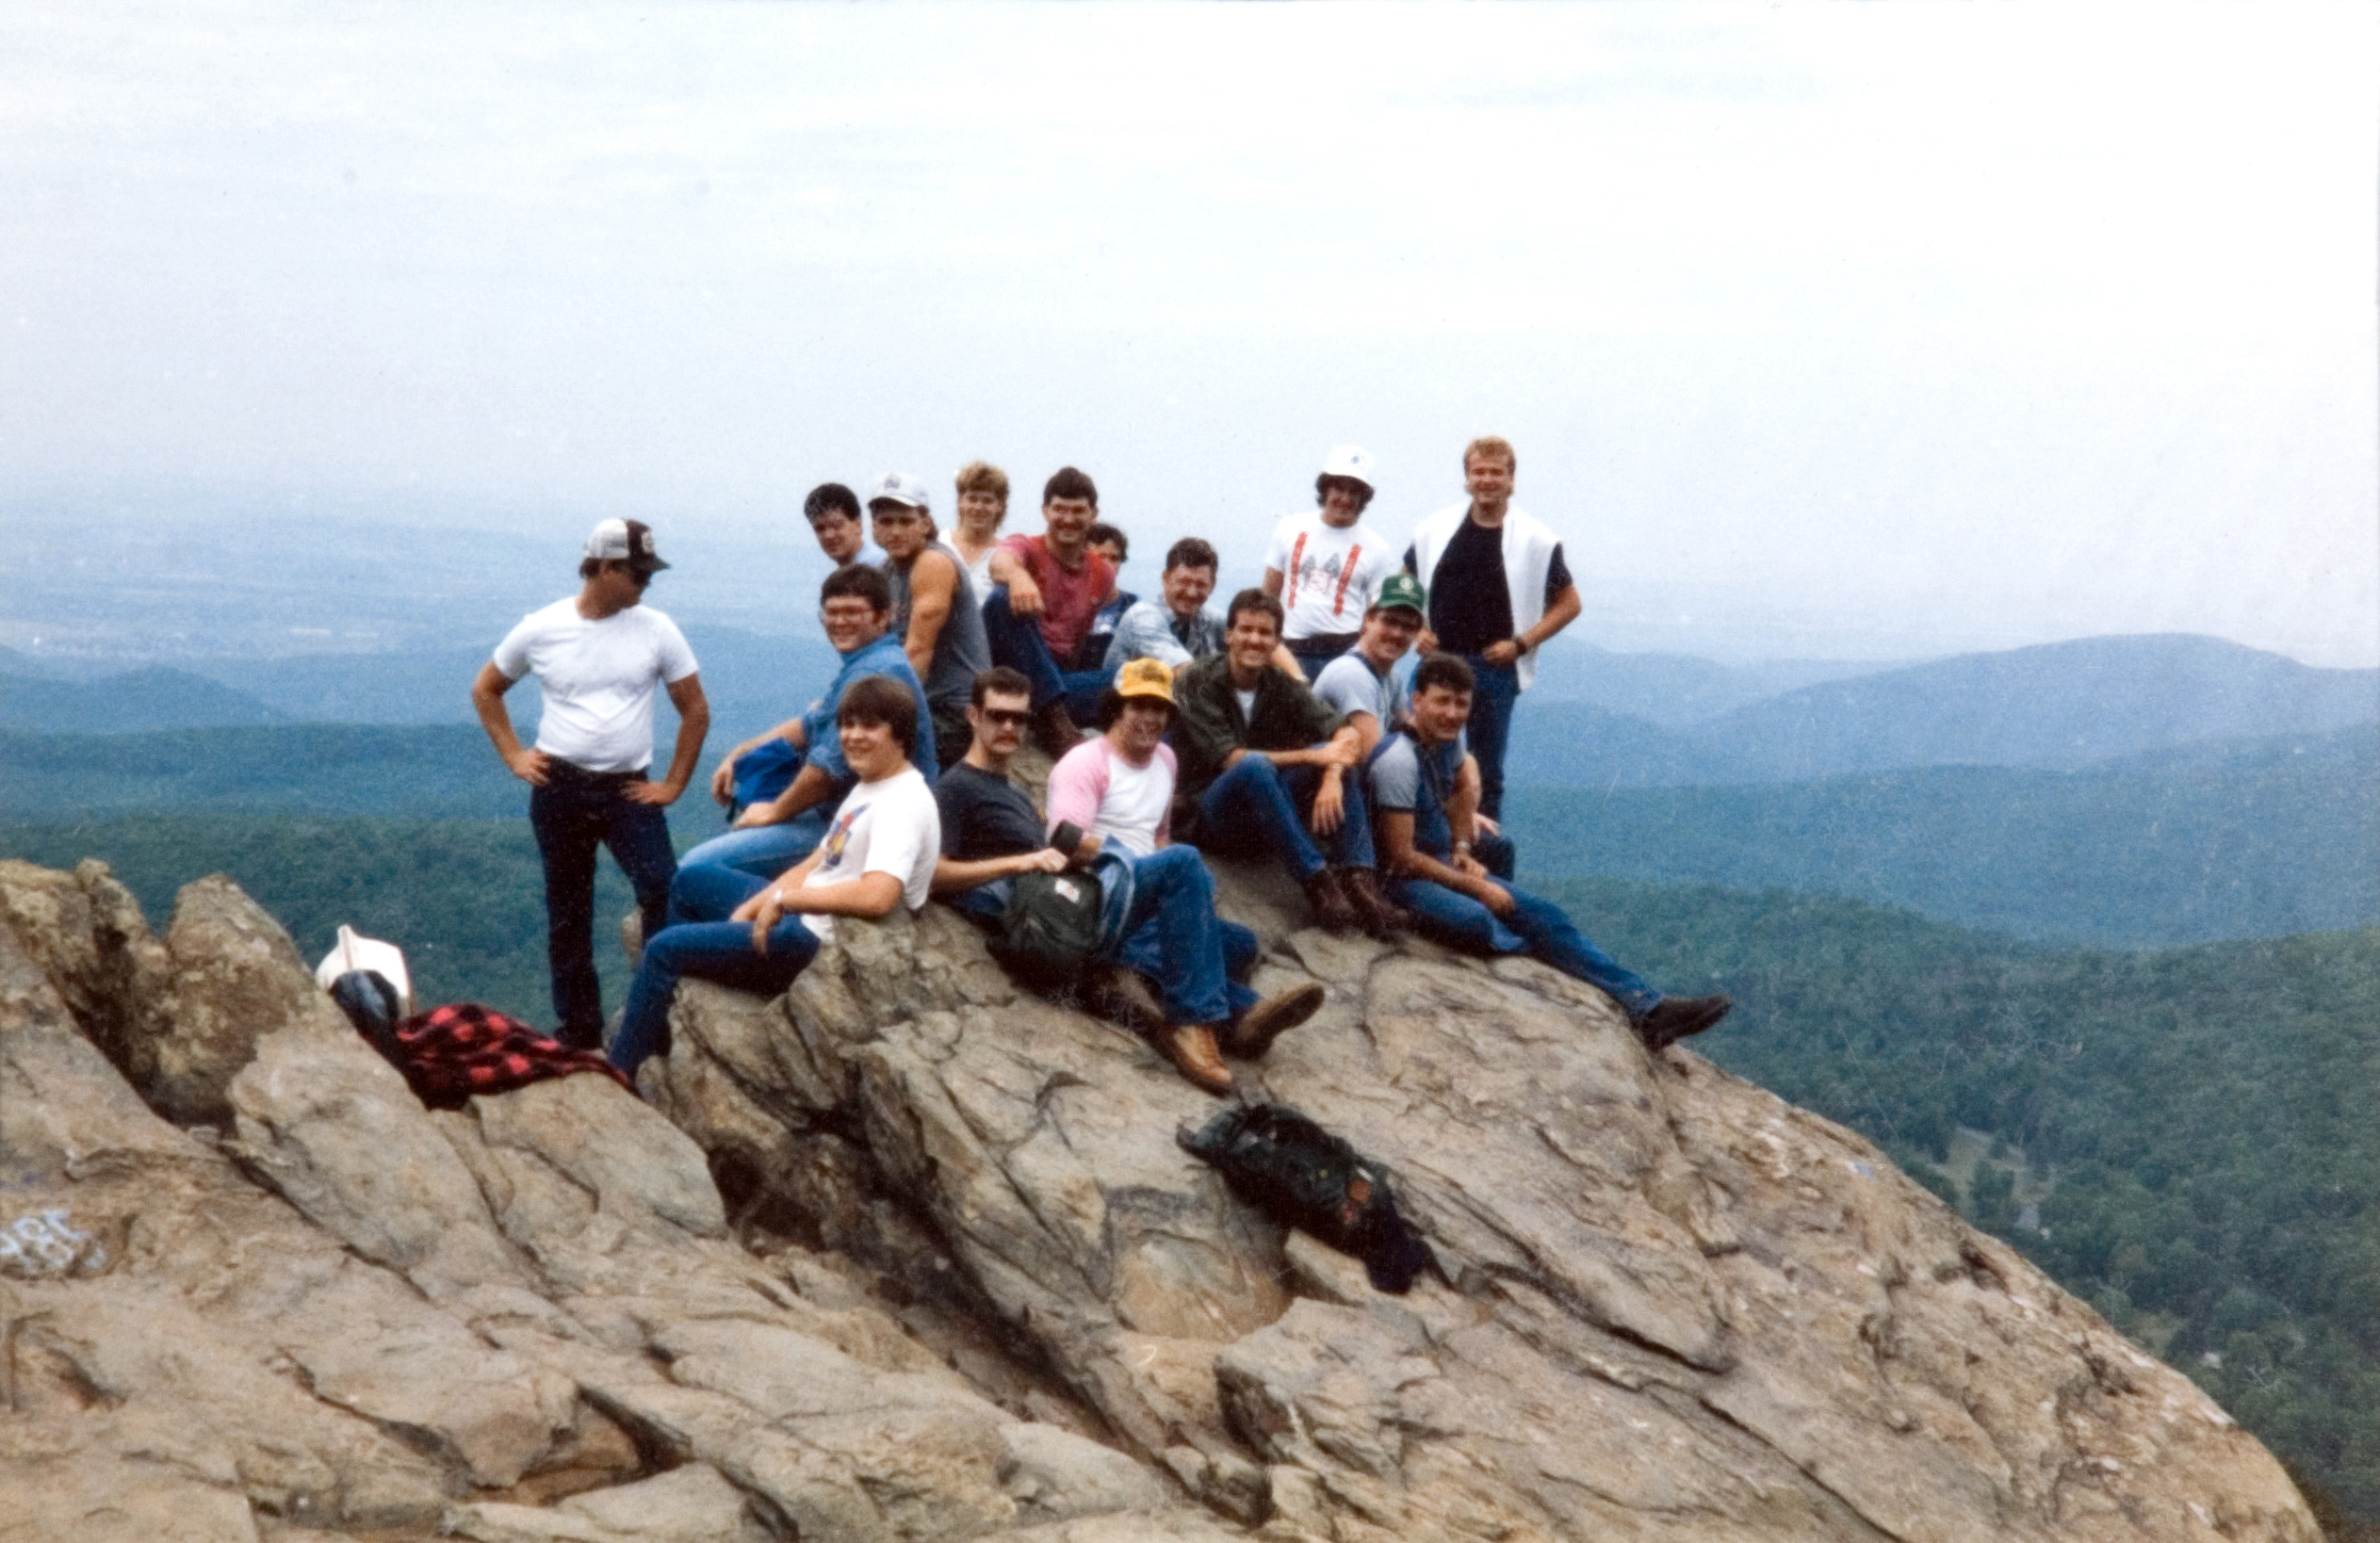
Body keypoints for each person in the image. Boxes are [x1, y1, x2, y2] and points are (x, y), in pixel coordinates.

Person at [1370, 654, 1731, 1051]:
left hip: (1437, 861)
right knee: (1476, 919)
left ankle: (1649, 1008)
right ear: (1417, 700)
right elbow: (1400, 858)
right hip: (1398, 881)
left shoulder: (1445, 744)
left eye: (1461, 703)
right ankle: (1549, 953)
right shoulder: (1398, 760)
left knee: (1545, 914)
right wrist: (1478, 888)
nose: (1452, 713)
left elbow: (1460, 793)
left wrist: (1461, 847)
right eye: (1442, 701)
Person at [610, 675, 937, 1079]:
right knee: (691, 879)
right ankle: (660, 1022)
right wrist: (754, 905)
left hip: (812, 943)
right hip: (800, 916)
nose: (853, 736)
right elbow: (817, 861)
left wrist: (784, 902)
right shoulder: (871, 786)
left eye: (869, 726)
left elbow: (878, 895)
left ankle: (620, 1073)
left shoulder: (902, 802)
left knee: (662, 949)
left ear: (901, 735)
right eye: (847, 725)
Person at [471, 518, 709, 1049]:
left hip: (629, 789)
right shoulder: (541, 628)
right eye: (636, 572)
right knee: (568, 911)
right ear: (601, 567)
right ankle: (579, 1032)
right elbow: (487, 689)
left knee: (660, 887)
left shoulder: (657, 629)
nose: (646, 582)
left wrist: (672, 785)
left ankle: (658, 1018)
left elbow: (694, 709)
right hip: (560, 786)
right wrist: (514, 754)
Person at [1037, 659, 1326, 1094]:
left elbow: (1159, 837)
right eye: (1139, 705)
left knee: (1241, 944)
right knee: (1185, 864)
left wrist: (1178, 888)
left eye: (1160, 709)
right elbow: (1065, 839)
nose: (1150, 718)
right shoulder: (1086, 763)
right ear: (1117, 708)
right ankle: (1199, 1021)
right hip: (1099, 893)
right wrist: (1134, 859)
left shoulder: (1165, 761)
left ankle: (1228, 1018)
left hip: (1144, 898)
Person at [683, 564, 934, 891]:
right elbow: (807, 726)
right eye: (832, 612)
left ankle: (771, 921)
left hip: (856, 825)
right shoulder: (869, 661)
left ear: (882, 617)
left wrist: (774, 812)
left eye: (852, 612)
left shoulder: (875, 671)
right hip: (847, 813)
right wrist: (742, 751)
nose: (840, 622)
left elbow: (824, 772)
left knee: (695, 868)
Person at [1171, 590, 1401, 938]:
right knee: (1256, 766)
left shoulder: (1278, 685)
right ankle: (1318, 882)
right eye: (1246, 630)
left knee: (1332, 750)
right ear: (1228, 635)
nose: (1254, 639)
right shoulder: (1197, 680)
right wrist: (1314, 756)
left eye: (1265, 633)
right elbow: (1231, 759)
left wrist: (1333, 774)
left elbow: (1346, 732)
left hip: (1266, 813)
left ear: (1277, 641)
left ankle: (1360, 880)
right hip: (1213, 814)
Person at [1402, 435, 1580, 821]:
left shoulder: (1537, 539)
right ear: (1466, 479)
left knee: (1486, 770)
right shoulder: (1435, 528)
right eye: (1478, 472)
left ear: (1511, 480)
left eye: (1495, 473)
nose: (1486, 480)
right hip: (1439, 659)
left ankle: (1481, 859)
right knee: (1411, 748)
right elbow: (1403, 584)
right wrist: (1416, 629)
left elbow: (1569, 604)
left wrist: (1521, 644)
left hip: (1494, 665)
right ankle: (1420, 838)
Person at [980, 466, 1118, 754]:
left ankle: (1045, 710)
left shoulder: (1102, 573)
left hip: (1055, 680)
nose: (1068, 520)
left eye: (1078, 511)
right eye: (1059, 510)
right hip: (1007, 674)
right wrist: (1019, 577)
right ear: (1045, 511)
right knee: (1002, 599)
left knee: (1131, 679)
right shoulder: (1027, 547)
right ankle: (1054, 720)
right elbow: (1000, 561)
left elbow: (1077, 646)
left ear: (1093, 514)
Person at [871, 471, 989, 772]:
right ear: (873, 527)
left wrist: (877, 718)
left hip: (954, 714)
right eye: (886, 521)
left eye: (905, 521)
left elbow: (917, 654)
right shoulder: (885, 573)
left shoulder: (933, 563)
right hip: (924, 705)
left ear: (925, 524)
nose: (895, 531)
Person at [1263, 446, 1402, 681]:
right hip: (1289, 651)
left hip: (1343, 654)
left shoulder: (1377, 548)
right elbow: (1268, 595)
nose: (1345, 499)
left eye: (1354, 492)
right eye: (1338, 488)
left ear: (1363, 497)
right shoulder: (1289, 528)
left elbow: (1376, 615)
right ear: (1325, 488)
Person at [1308, 572, 1427, 759]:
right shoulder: (1353, 675)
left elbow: (1415, 730)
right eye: (1389, 621)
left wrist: (1462, 759)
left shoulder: (1390, 677)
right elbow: (1373, 761)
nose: (1397, 633)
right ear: (1368, 620)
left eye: (1408, 627)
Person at [948, 461, 1010, 601]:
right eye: (972, 499)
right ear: (960, 502)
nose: (978, 507)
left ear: (1000, 506)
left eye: (987, 501)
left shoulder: (1007, 554)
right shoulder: (941, 544)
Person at [805, 481, 875, 570]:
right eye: (820, 529)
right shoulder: (846, 573)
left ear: (858, 524)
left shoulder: (877, 568)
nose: (828, 536)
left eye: (836, 526)